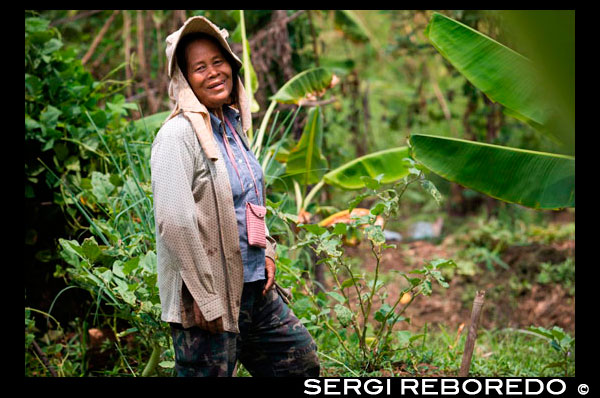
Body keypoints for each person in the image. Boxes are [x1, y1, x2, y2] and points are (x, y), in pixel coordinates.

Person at [150, 15, 320, 377]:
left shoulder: (229, 126)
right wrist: (206, 296)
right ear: (183, 79)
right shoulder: (177, 137)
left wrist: (267, 249)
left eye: (218, 61)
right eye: (199, 67)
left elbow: (248, 198)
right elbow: (176, 222)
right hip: (206, 299)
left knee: (297, 362)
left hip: (254, 287)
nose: (213, 72)